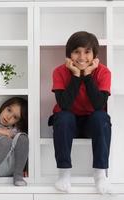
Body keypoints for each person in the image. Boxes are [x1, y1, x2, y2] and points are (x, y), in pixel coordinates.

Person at [48, 31, 112, 194]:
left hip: (92, 123)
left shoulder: (104, 72)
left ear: (95, 55)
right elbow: (64, 104)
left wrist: (88, 75)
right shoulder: (59, 71)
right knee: (63, 116)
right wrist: (76, 76)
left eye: (87, 52)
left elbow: (99, 104)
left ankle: (100, 174)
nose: (82, 57)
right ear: (69, 54)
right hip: (68, 122)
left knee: (101, 116)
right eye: (77, 51)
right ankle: (64, 174)